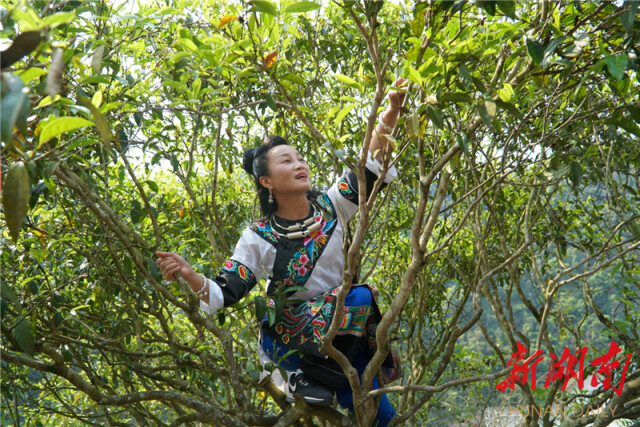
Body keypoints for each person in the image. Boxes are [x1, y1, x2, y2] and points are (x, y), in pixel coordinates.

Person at [156, 78, 406, 426]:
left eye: (300, 158)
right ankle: (300, 376)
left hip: (342, 335)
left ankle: (323, 379)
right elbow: (224, 290)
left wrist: (390, 111)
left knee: (381, 416)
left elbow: (368, 167)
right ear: (267, 181)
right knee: (361, 295)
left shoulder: (332, 205)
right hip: (289, 337)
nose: (299, 164)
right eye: (287, 161)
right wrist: (188, 273)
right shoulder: (258, 236)